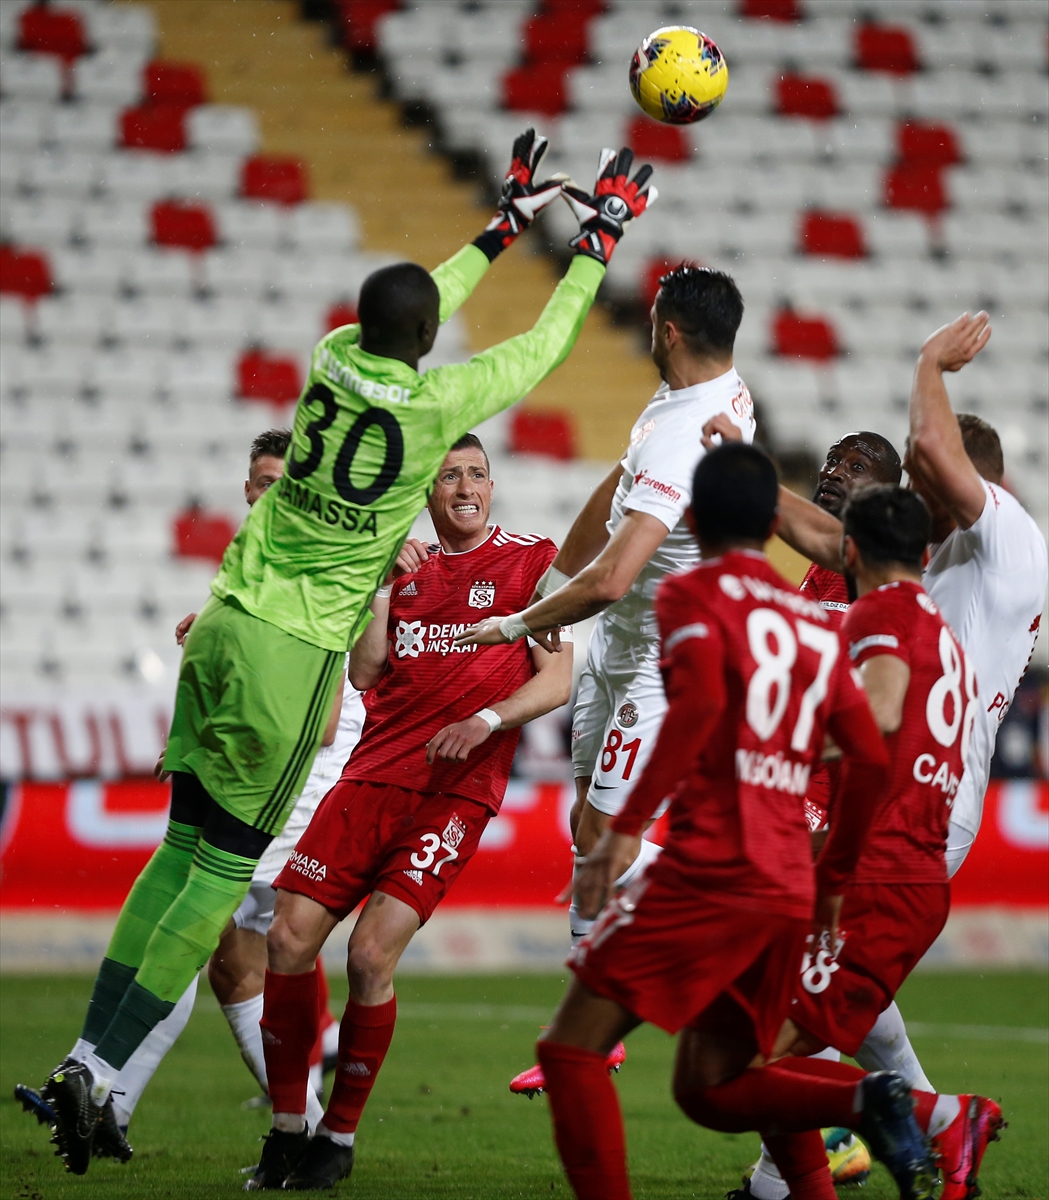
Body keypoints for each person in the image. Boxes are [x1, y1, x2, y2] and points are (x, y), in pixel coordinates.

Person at [38, 129, 657, 1176]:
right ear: (426, 341)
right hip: (291, 651)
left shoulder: (327, 357)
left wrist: (499, 223)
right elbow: (543, 347)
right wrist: (595, 236)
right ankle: (101, 1068)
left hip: (225, 618)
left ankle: (88, 1057)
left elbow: (419, 296)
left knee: (175, 851)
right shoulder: (433, 410)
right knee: (223, 876)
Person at [532, 444, 943, 1200]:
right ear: (772, 523)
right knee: (716, 1087)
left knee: (571, 1053)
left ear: (690, 515)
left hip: (712, 870)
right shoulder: (818, 623)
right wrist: (832, 881)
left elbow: (696, 713)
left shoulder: (692, 597)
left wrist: (621, 829)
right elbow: (866, 757)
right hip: (788, 887)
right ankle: (867, 1097)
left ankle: (871, 1101)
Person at [454, 264, 756, 1093]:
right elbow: (621, 492)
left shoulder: (680, 425)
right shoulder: (714, 398)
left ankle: (603, 1023)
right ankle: (595, 1020)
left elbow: (619, 576)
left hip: (658, 661)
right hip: (616, 654)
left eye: (649, 317)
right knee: (586, 831)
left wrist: (521, 620)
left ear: (667, 331)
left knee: (603, 842)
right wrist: (553, 577)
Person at [246, 434, 574, 1189]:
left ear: (492, 487)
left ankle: (339, 1136)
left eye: (477, 474)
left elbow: (557, 679)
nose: (465, 487)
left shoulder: (530, 561)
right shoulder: (403, 567)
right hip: (369, 779)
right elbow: (363, 670)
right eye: (450, 476)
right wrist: (383, 590)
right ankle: (287, 1126)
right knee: (288, 938)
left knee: (368, 956)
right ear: (426, 494)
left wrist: (487, 722)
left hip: (453, 795)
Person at [16, 432, 360, 1144]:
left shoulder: (319, 569)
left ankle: (110, 1085)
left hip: (299, 782)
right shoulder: (247, 570)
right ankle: (119, 1100)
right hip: (256, 768)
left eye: (285, 484)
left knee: (220, 939)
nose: (272, 495)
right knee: (229, 953)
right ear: (246, 490)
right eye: (263, 482)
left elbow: (320, 721)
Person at [771, 312, 1048, 1103]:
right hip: (907, 792)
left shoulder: (1009, 542)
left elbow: (928, 447)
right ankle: (923, 1119)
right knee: (827, 974)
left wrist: (929, 358)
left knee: (801, 981)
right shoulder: (942, 555)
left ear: (973, 480)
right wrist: (742, 481)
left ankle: (871, 1141)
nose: (912, 493)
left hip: (929, 799)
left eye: (925, 485)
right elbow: (833, 541)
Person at [738, 485, 1002, 1200]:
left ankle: (940, 1117)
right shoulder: (939, 631)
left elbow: (878, 714)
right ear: (922, 553)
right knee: (750, 1042)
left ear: (848, 552)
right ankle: (797, 1182)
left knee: (748, 1066)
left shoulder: (877, 613)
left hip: (879, 884)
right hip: (906, 876)